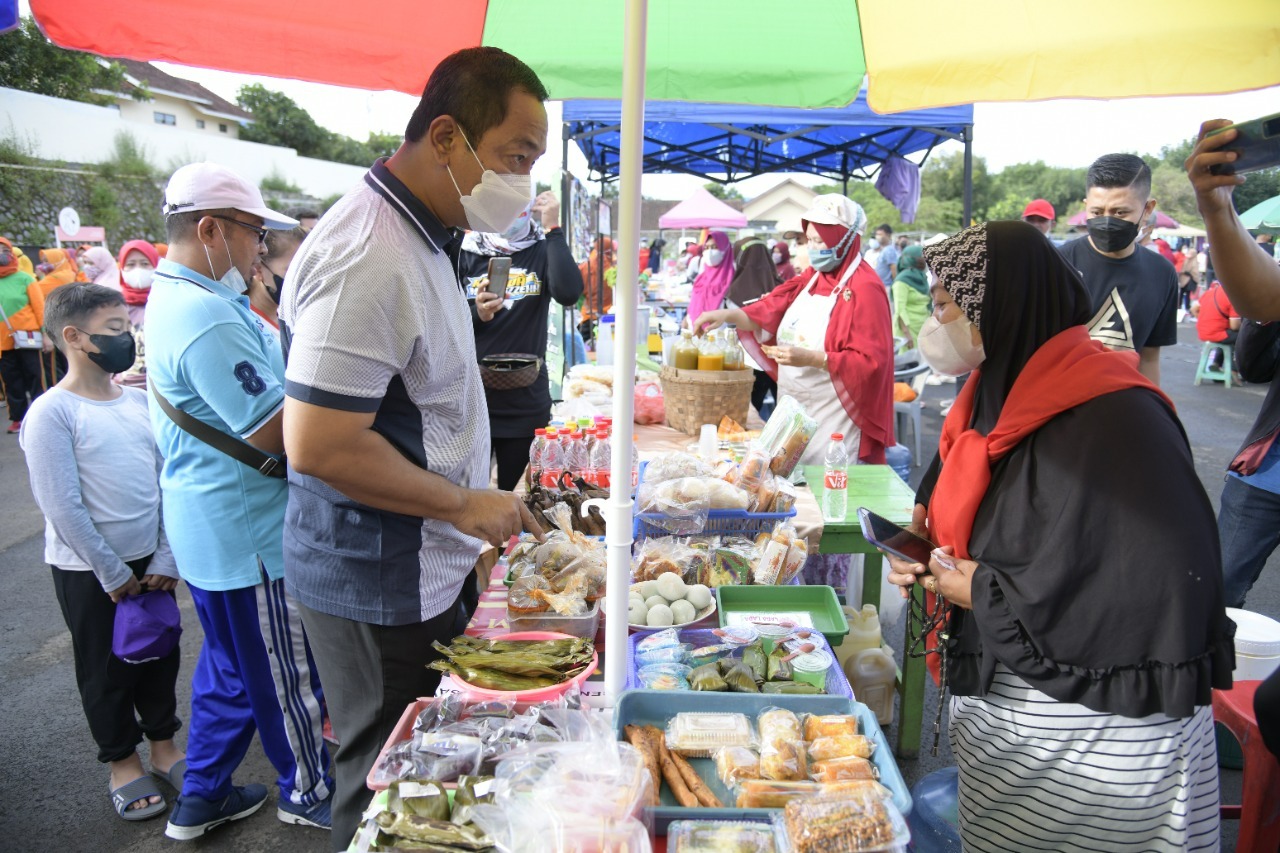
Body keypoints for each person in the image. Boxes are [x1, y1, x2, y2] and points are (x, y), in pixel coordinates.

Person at [886, 220, 1233, 852]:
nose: (931, 325)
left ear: (1003, 305)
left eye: (943, 305)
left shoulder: (1117, 418)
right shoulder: (993, 391)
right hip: (1013, 716)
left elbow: (1154, 582)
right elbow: (974, 518)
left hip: (1105, 731)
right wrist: (926, 554)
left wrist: (982, 591)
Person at [278, 47, 547, 851]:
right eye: (516, 156)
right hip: (374, 573)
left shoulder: (431, 231)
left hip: (423, 557)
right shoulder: (370, 249)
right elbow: (320, 443)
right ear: (445, 136)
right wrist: (466, 503)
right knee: (385, 787)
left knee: (428, 779)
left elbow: (405, 393)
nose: (524, 182)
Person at [146, 162, 332, 840]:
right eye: (254, 232)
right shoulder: (201, 313)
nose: (259, 247)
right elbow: (274, 429)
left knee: (231, 668)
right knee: (284, 672)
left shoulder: (185, 296)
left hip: (213, 530)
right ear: (209, 228)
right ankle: (307, 788)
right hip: (246, 533)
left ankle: (201, 795)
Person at [20, 283, 186, 823]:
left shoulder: (138, 402)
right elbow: (62, 505)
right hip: (89, 569)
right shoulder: (52, 413)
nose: (126, 339)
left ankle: (165, 747)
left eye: (126, 329)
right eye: (113, 330)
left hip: (149, 565)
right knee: (106, 669)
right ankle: (122, 762)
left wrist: (166, 557)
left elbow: (167, 483)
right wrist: (110, 571)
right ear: (74, 337)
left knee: (160, 656)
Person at [1187, 116, 1280, 765]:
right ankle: (1197, 719)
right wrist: (1218, 207)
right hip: (1266, 470)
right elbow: (1259, 317)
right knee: (1216, 587)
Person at [693, 194, 895, 466]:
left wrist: (812, 358)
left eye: (820, 241)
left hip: (837, 414)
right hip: (794, 407)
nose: (812, 248)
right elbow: (772, 306)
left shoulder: (865, 289)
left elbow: (873, 362)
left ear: (844, 240)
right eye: (808, 240)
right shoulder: (811, 278)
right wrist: (727, 314)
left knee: (826, 485)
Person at [455, 190, 584, 490]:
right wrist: (478, 314)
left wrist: (554, 229)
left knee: (516, 502)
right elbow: (441, 316)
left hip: (525, 401)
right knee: (466, 499)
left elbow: (568, 293)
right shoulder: (467, 250)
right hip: (472, 398)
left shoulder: (542, 249)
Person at [1058, 154, 1178, 385]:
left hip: (1122, 407)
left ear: (1147, 209)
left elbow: (1149, 359)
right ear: (1086, 206)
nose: (1106, 221)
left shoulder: (1162, 273)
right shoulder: (1057, 264)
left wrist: (1154, 412)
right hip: (1058, 406)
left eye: (1120, 213)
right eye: (1096, 212)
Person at [726, 237, 781, 419]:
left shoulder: (735, 290)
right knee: (782, 413)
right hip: (780, 360)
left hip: (749, 360)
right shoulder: (783, 287)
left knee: (749, 414)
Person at [0, 236, 46, 433]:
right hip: (3, 342)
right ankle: (18, 418)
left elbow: (39, 308)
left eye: (4, 249)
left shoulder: (25, 278)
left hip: (28, 337)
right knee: (11, 381)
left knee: (35, 376)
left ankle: (42, 415)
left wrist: (46, 335)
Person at [249, 225, 307, 339]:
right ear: (259, 270)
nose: (303, 279)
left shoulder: (295, 318)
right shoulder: (247, 325)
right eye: (293, 271)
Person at [116, 240, 160, 389]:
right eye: (130, 264)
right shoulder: (113, 305)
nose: (138, 270)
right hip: (124, 386)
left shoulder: (167, 300)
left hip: (162, 387)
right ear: (121, 268)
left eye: (144, 263)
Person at [686, 230, 734, 328]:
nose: (710, 252)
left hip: (719, 332)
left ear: (725, 249)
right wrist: (687, 318)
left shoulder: (733, 276)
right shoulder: (702, 275)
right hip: (695, 330)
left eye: (714, 247)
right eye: (706, 248)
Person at [891, 244, 931, 349]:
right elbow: (900, 309)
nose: (923, 260)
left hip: (923, 328)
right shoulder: (901, 280)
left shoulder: (922, 277)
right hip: (908, 330)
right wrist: (907, 334)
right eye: (921, 257)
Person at [1195, 279, 1241, 361]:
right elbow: (1234, 326)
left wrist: (1202, 318)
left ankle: (1216, 363)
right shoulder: (1232, 297)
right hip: (1216, 334)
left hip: (1202, 331)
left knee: (1228, 336)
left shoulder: (1210, 292)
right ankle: (1234, 369)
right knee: (1242, 336)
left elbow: (1193, 309)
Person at [578, 235, 616, 322]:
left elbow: (577, 291)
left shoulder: (584, 266)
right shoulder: (612, 268)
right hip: (609, 316)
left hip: (588, 315)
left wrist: (585, 307)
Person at [1178, 244, 1202, 313]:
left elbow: (1195, 272)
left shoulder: (1194, 261)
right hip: (1184, 279)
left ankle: (1186, 307)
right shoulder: (1185, 259)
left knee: (1187, 295)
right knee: (1182, 294)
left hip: (1188, 280)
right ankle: (1181, 307)